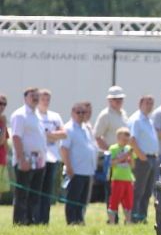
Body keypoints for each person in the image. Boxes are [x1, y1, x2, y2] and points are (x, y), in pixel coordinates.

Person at [10, 87, 48, 225]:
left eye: (37, 96)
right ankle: (20, 221)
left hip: (38, 161)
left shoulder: (37, 115)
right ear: (25, 97)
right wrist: (21, 159)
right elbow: (16, 137)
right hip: (25, 160)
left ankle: (31, 220)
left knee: (35, 193)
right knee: (22, 194)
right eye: (33, 95)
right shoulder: (20, 115)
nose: (36, 98)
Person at [61, 102, 98, 225]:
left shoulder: (86, 128)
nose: (81, 115)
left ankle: (80, 219)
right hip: (76, 170)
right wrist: (69, 167)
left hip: (87, 170)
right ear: (72, 113)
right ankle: (72, 221)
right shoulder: (69, 128)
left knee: (83, 199)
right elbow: (64, 149)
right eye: (78, 112)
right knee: (73, 198)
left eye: (84, 112)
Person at [35, 89, 66, 225]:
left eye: (48, 99)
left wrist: (48, 135)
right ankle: (34, 218)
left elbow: (64, 134)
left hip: (53, 157)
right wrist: (52, 135)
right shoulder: (35, 115)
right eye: (43, 99)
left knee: (48, 190)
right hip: (38, 158)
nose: (46, 102)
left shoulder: (55, 116)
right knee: (37, 189)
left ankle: (44, 220)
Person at [128, 95, 158, 223]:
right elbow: (132, 140)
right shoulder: (136, 119)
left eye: (151, 103)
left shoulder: (148, 120)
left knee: (147, 191)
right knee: (138, 191)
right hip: (142, 159)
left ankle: (142, 216)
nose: (150, 105)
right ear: (140, 103)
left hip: (152, 158)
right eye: (147, 103)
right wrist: (142, 157)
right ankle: (134, 217)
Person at [107, 127, 136, 224]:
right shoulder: (113, 148)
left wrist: (130, 156)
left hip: (128, 179)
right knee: (114, 201)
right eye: (124, 139)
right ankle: (111, 222)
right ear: (118, 138)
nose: (125, 142)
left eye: (127, 140)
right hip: (117, 179)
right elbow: (111, 163)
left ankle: (128, 221)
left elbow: (132, 165)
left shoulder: (129, 149)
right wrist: (125, 155)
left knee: (128, 202)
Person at [94, 86, 129, 150]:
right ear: (109, 100)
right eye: (115, 99)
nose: (118, 101)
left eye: (120, 98)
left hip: (124, 153)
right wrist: (110, 152)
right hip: (112, 155)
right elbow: (97, 137)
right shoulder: (105, 115)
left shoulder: (124, 113)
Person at [0, 94, 10, 196]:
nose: (2, 106)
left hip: (2, 161)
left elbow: (6, 145)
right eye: (0, 103)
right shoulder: (2, 121)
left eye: (4, 104)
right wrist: (3, 125)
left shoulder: (2, 120)